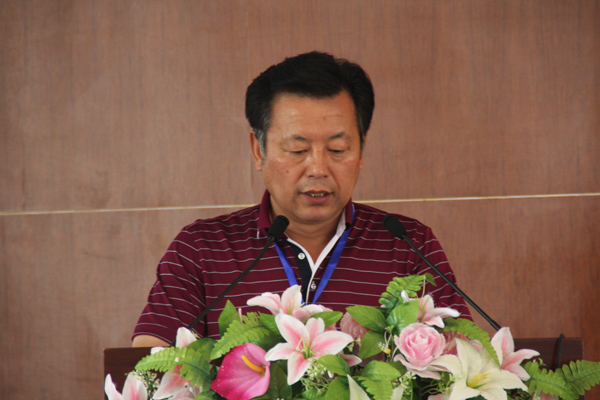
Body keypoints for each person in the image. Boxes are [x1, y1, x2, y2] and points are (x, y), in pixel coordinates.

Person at [132, 51, 471, 347]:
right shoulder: (200, 250)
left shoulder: (409, 245)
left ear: (361, 150)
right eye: (297, 150)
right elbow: (148, 366)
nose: (318, 168)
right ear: (258, 150)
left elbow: (463, 355)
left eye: (337, 149)